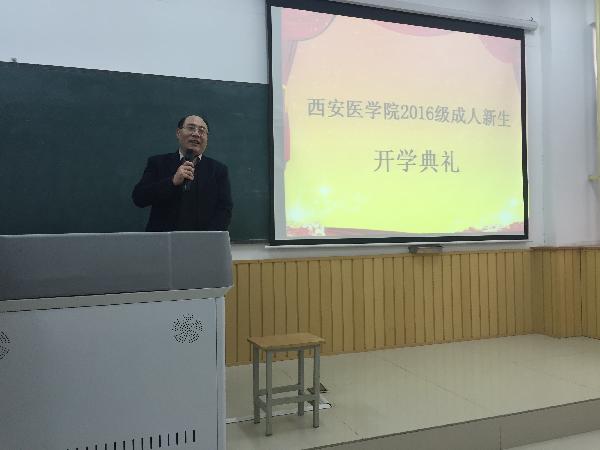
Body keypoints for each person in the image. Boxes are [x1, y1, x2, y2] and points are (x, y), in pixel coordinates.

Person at [132, 114, 232, 231]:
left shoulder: (218, 170)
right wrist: (172, 181)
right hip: (163, 239)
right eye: (191, 128)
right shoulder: (158, 163)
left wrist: (207, 237)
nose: (196, 134)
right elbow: (139, 198)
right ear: (178, 133)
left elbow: (225, 209)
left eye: (202, 130)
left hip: (203, 239)